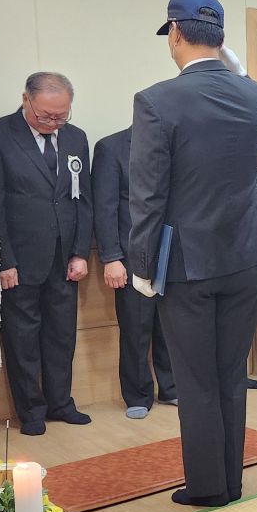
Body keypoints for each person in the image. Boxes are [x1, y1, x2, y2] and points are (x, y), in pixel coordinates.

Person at [129, 0, 257, 506]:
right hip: (246, 257)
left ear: (175, 33)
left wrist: (142, 264)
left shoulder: (156, 100)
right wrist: (240, 73)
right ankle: (231, 481)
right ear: (221, 39)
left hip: (187, 263)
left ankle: (210, 488)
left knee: (195, 381)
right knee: (232, 374)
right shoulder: (256, 95)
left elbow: (148, 192)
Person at [0, 72, 92, 437]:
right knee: (22, 339)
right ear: (25, 100)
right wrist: (5, 260)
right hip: (20, 259)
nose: (53, 123)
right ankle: (31, 411)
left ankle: (61, 403)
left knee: (62, 336)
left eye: (61, 116)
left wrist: (80, 252)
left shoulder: (76, 138)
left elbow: (83, 200)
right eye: (45, 116)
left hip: (64, 257)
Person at [92, 126, 177, 419]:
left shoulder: (173, 146)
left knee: (171, 327)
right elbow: (104, 208)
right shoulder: (111, 147)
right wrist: (111, 257)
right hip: (131, 257)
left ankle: (171, 387)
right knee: (136, 330)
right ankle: (138, 394)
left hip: (170, 253)